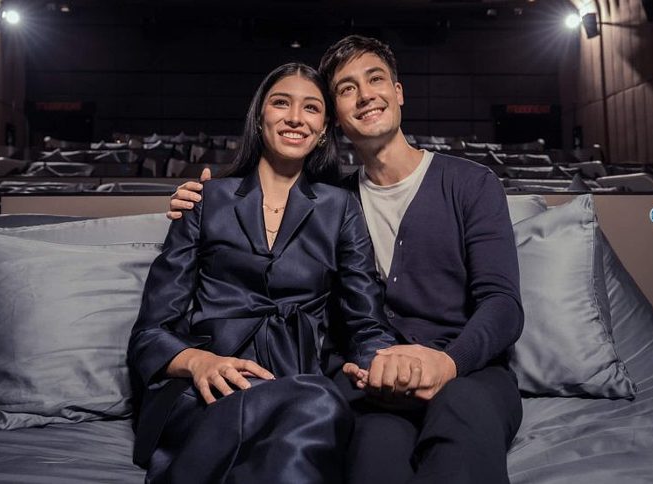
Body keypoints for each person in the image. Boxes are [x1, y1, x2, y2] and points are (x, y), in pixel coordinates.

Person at [169, 36, 524, 484]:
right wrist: (199, 199)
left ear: (398, 92)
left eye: (375, 80)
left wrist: (447, 363)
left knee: (460, 423)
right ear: (335, 117)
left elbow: (503, 304)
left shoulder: (471, 183)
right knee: (373, 456)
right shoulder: (332, 202)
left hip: (468, 373)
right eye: (346, 88)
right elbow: (265, 207)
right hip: (373, 382)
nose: (365, 95)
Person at [129, 62, 407, 484]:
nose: (296, 118)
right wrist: (200, 362)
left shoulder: (340, 208)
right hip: (209, 388)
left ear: (323, 127)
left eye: (311, 108)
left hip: (299, 378)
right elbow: (150, 333)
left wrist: (379, 366)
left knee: (315, 403)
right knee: (318, 406)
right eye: (282, 103)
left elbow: (366, 322)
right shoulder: (205, 200)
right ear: (260, 117)